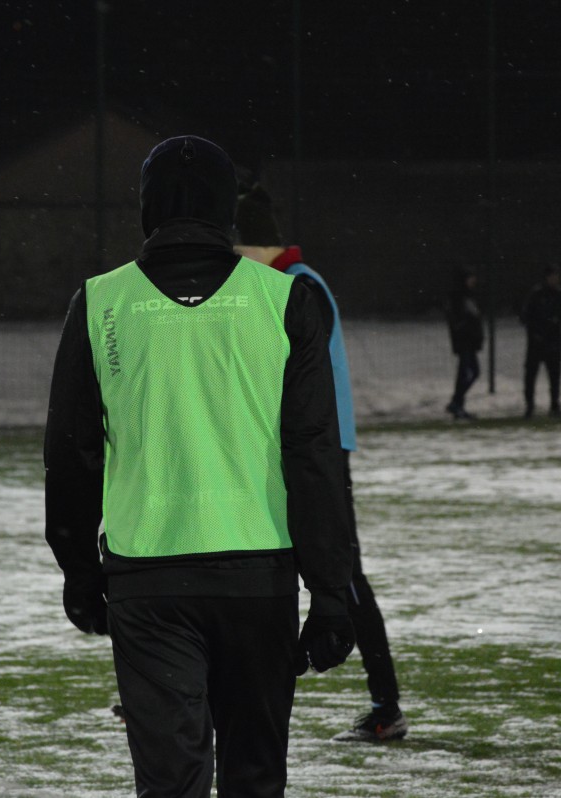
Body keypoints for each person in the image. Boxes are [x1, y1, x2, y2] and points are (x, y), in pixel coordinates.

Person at [44, 136, 356, 797]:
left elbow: (71, 455)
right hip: (258, 578)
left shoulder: (100, 302)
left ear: (147, 207)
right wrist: (331, 592)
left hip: (149, 577)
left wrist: (78, 570)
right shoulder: (284, 301)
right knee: (254, 778)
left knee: (170, 784)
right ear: (226, 210)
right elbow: (313, 456)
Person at [234, 183, 408, 743]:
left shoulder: (299, 286)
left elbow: (285, 369)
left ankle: (386, 707)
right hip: (291, 449)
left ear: (252, 247)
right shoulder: (283, 284)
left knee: (344, 574)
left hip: (319, 453)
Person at [520, 264, 561, 418]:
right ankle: (529, 405)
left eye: (557, 276)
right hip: (537, 341)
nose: (555, 279)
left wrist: (554, 322)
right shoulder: (536, 295)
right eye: (553, 276)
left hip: (553, 341)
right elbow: (526, 316)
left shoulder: (560, 294)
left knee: (554, 374)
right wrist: (536, 331)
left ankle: (554, 404)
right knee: (531, 374)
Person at [445, 269, 484, 420]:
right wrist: (463, 330)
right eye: (470, 278)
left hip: (470, 341)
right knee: (469, 372)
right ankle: (456, 403)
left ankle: (457, 404)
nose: (473, 281)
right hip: (464, 341)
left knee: (469, 373)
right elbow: (456, 320)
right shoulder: (458, 297)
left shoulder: (470, 296)